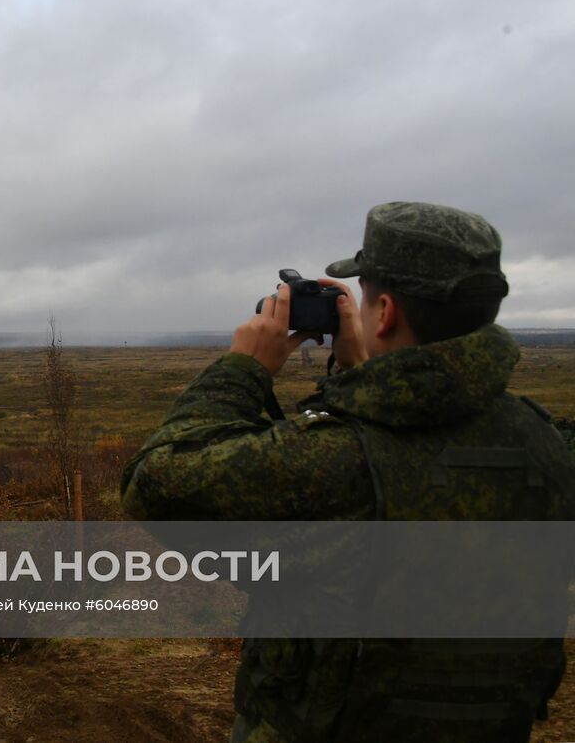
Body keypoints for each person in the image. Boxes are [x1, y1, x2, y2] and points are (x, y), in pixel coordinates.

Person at [119, 201, 575, 742]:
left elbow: (156, 482)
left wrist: (242, 370)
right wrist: (371, 376)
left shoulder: (339, 463)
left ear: (383, 313)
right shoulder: (545, 443)